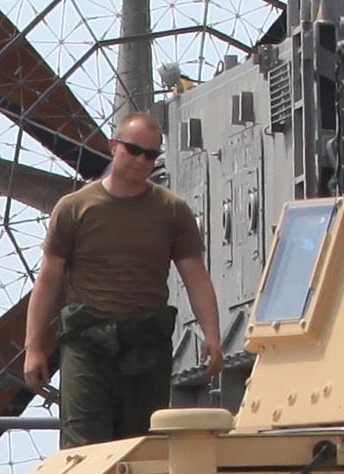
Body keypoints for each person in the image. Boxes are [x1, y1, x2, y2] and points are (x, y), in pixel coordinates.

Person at [27, 111, 221, 455]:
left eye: (151, 155)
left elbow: (195, 275)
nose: (141, 161)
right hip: (88, 345)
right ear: (114, 146)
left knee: (142, 449)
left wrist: (213, 335)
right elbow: (49, 280)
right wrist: (34, 348)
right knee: (83, 450)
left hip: (145, 345)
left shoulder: (172, 211)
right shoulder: (74, 209)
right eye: (133, 150)